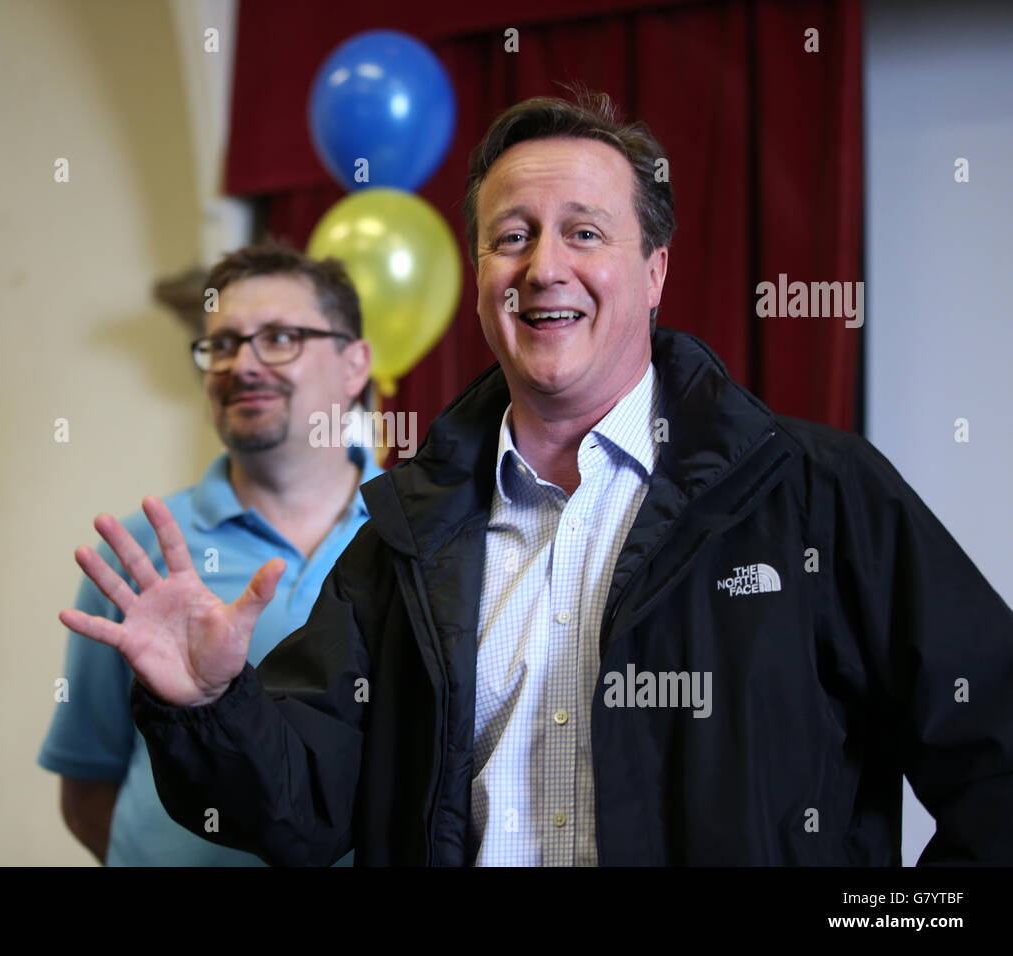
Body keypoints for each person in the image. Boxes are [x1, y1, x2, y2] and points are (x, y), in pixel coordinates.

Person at [64, 91, 1013, 865]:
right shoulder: (405, 535)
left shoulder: (820, 494)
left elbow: (995, 754)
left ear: (655, 272)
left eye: (585, 233)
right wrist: (208, 707)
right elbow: (303, 813)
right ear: (479, 278)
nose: (543, 267)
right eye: (511, 237)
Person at [41, 242, 380, 865]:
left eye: (279, 337)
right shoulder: (138, 554)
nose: (240, 365)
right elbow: (88, 787)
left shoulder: (418, 541)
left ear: (354, 363)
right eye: (222, 344)